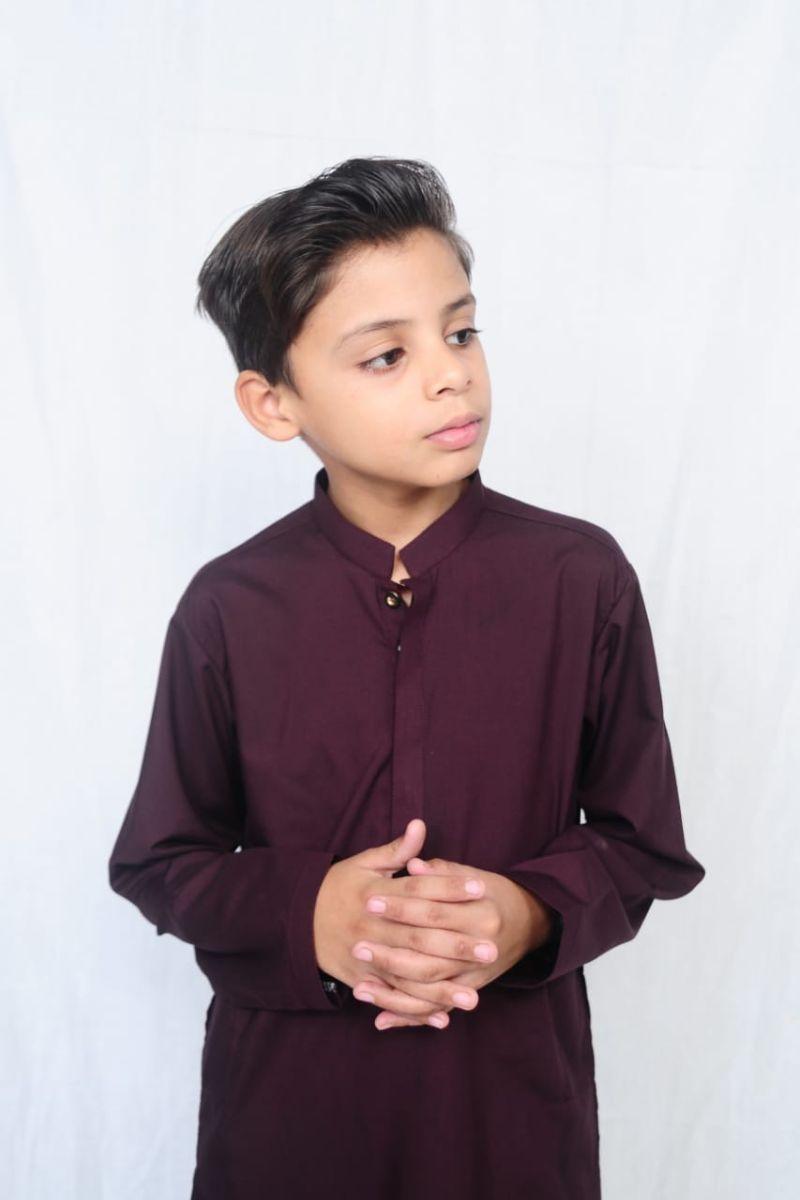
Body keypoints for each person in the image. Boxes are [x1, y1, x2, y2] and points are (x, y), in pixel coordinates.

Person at [107, 156, 706, 1199]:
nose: (449, 375)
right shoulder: (229, 606)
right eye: (386, 355)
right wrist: (311, 911)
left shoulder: (580, 577)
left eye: (460, 332)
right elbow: (161, 859)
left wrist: (526, 914)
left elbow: (641, 841)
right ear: (273, 402)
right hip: (287, 1121)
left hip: (509, 1120)